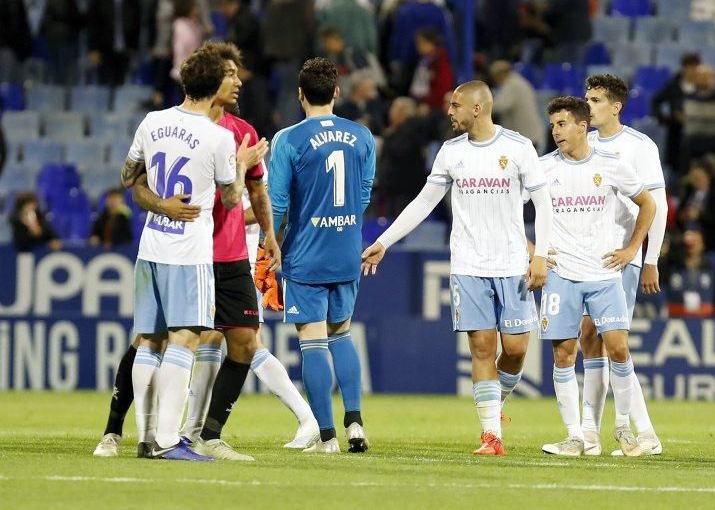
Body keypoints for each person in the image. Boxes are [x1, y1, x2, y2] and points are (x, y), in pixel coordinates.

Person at [361, 80, 554, 456]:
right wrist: (385, 241)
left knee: (514, 350)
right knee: (481, 349)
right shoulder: (450, 153)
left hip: (512, 263)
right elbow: (424, 202)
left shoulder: (518, 148)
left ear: (478, 108)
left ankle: (495, 407)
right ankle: (491, 436)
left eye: (456, 105)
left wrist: (540, 255)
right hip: (468, 264)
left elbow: (543, 205)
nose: (449, 112)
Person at [119, 45, 266, 461]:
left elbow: (128, 177)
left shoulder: (153, 122)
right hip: (189, 251)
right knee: (185, 339)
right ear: (214, 84)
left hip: (151, 246)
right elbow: (233, 197)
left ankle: (145, 436)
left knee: (149, 340)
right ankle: (167, 441)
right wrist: (240, 163)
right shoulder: (220, 137)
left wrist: (161, 203)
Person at [268, 57, 376, 454]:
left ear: (300, 95)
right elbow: (364, 194)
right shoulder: (362, 135)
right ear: (336, 92)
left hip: (306, 252)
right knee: (342, 333)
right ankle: (355, 424)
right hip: (347, 249)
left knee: (312, 340)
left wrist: (272, 241)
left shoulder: (288, 139)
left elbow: (276, 201)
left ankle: (327, 437)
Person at [538, 96, 655, 457]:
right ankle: (576, 437)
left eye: (561, 124)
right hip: (562, 276)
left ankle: (622, 427)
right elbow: (509, 211)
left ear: (581, 126)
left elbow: (648, 204)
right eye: (553, 124)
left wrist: (632, 248)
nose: (555, 131)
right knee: (563, 354)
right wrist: (534, 253)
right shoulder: (542, 169)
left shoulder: (611, 165)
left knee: (618, 348)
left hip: (604, 274)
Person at [576, 74, 668, 457]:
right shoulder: (586, 144)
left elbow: (657, 205)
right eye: (587, 99)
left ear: (616, 106)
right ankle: (594, 434)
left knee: (613, 343)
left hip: (622, 257)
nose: (589, 106)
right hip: (587, 257)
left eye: (596, 100)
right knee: (590, 340)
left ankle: (637, 432)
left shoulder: (639, 146)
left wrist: (650, 259)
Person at [87, 0, 141, 86]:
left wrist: (133, 47)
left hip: (125, 49)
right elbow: (93, 25)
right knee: (104, 85)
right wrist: (93, 48)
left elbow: (136, 23)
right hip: (105, 49)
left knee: (121, 84)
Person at [40, 0, 94, 85]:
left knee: (65, 79)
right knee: (62, 80)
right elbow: (64, 14)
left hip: (65, 39)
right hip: (61, 41)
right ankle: (60, 104)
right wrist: (82, 19)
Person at [651, 52, 701, 173]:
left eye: (695, 67)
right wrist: (667, 120)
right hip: (676, 133)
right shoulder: (673, 85)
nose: (692, 71)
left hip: (697, 133)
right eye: (690, 67)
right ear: (684, 68)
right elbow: (656, 101)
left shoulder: (701, 86)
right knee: (676, 170)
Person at [489, 60, 547, 151]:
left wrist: (479, 107)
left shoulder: (513, 84)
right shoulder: (519, 82)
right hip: (528, 137)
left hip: (529, 138)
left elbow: (499, 106)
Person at [0, 0, 33, 84]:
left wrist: (26, 43)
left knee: (17, 83)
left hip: (19, 48)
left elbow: (24, 20)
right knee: (3, 82)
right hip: (4, 48)